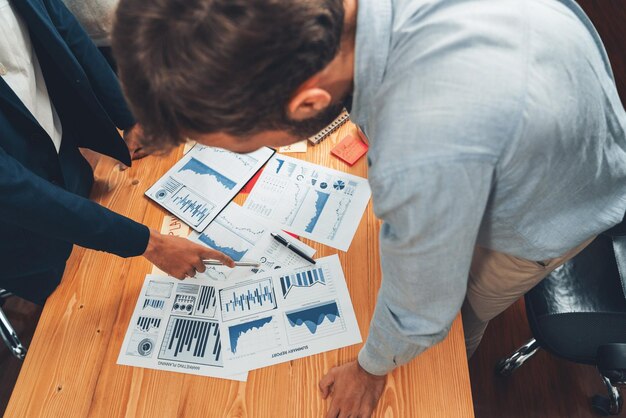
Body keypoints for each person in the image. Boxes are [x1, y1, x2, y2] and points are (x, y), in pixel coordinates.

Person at [112, 0, 626, 416]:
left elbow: (425, 308)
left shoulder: (425, 139)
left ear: (310, 103)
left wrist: (373, 368)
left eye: (241, 145)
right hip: (557, 122)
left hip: (541, 217)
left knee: (448, 333)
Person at [0, 0, 234, 307]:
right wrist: (149, 243)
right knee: (69, 303)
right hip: (18, 228)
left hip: (65, 159)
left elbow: (67, 30)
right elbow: (13, 191)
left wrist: (129, 117)